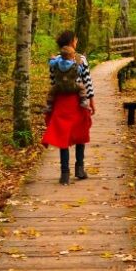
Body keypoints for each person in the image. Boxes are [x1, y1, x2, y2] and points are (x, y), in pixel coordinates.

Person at [41, 30, 95, 185]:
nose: (76, 41)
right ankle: (80, 168)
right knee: (80, 132)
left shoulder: (54, 61)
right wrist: (91, 101)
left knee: (62, 136)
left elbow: (53, 82)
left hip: (60, 102)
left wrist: (51, 103)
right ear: (72, 42)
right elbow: (87, 81)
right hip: (77, 101)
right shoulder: (80, 59)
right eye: (76, 39)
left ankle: (64, 173)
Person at [45, 44, 90, 113]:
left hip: (59, 87)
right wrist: (80, 64)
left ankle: (49, 106)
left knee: (51, 92)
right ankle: (83, 101)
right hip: (72, 86)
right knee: (82, 87)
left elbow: (51, 64)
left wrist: (52, 59)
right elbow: (79, 71)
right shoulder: (74, 65)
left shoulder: (57, 62)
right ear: (71, 56)